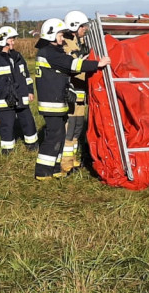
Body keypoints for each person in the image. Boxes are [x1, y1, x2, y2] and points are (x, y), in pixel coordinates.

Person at [34, 18, 110, 180]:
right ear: (51, 35)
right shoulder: (50, 52)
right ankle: (42, 171)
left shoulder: (50, 51)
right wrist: (98, 64)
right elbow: (72, 65)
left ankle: (54, 169)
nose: (62, 39)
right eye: (60, 35)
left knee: (59, 135)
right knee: (54, 136)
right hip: (52, 103)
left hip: (57, 101)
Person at [0, 26, 38, 154]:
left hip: (21, 96)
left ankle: (32, 147)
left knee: (28, 122)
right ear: (3, 40)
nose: (14, 42)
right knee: (7, 125)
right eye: (11, 40)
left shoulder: (18, 56)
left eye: (14, 40)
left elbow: (26, 76)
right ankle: (8, 150)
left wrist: (30, 91)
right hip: (4, 99)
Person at [60, 10, 91, 173]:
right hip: (71, 93)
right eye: (83, 26)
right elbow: (71, 65)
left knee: (78, 126)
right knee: (70, 128)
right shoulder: (66, 43)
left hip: (80, 94)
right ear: (74, 25)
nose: (85, 29)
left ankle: (73, 159)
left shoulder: (77, 41)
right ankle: (65, 162)